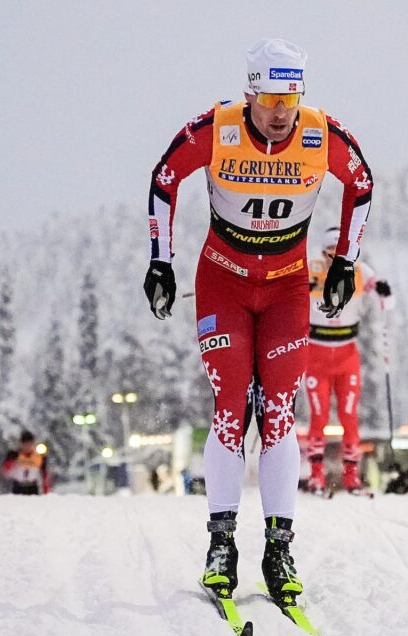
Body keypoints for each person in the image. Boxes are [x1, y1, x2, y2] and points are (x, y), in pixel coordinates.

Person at [143, 39, 374, 604]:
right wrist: (160, 261)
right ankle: (221, 544)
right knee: (230, 407)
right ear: (250, 92)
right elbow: (164, 179)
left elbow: (362, 186)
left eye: (290, 99)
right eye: (270, 98)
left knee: (277, 412)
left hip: (288, 286)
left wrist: (344, 258)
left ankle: (279, 548)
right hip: (223, 278)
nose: (280, 112)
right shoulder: (217, 128)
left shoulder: (321, 134)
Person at [304, 226, 392, 493]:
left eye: (342, 253)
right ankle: (316, 475)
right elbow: (282, 283)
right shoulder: (311, 267)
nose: (336, 258)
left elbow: (383, 293)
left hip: (346, 355)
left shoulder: (360, 270)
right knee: (318, 417)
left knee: (349, 416)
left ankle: (352, 476)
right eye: (332, 252)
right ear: (323, 252)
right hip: (316, 354)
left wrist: (384, 292)